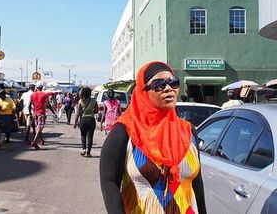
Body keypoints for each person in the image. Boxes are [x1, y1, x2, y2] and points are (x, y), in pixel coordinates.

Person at [99, 61, 206, 213]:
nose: (168, 88)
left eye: (173, 83)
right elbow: (109, 184)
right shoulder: (124, 132)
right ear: (143, 91)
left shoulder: (188, 132)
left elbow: (197, 185)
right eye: (159, 85)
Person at [29, 82, 56, 149]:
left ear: (36, 87)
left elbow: (29, 105)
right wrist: (53, 112)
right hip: (41, 113)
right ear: (42, 87)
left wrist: (30, 113)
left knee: (38, 127)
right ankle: (34, 142)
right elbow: (48, 105)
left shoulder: (33, 95)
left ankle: (41, 140)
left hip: (35, 113)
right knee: (39, 128)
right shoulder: (44, 94)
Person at [73, 87, 98, 157]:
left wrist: (75, 122)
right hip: (91, 120)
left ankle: (84, 149)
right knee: (90, 137)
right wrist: (91, 111)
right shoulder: (94, 101)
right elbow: (96, 111)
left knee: (83, 135)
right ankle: (88, 152)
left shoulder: (80, 101)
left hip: (83, 120)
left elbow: (78, 113)